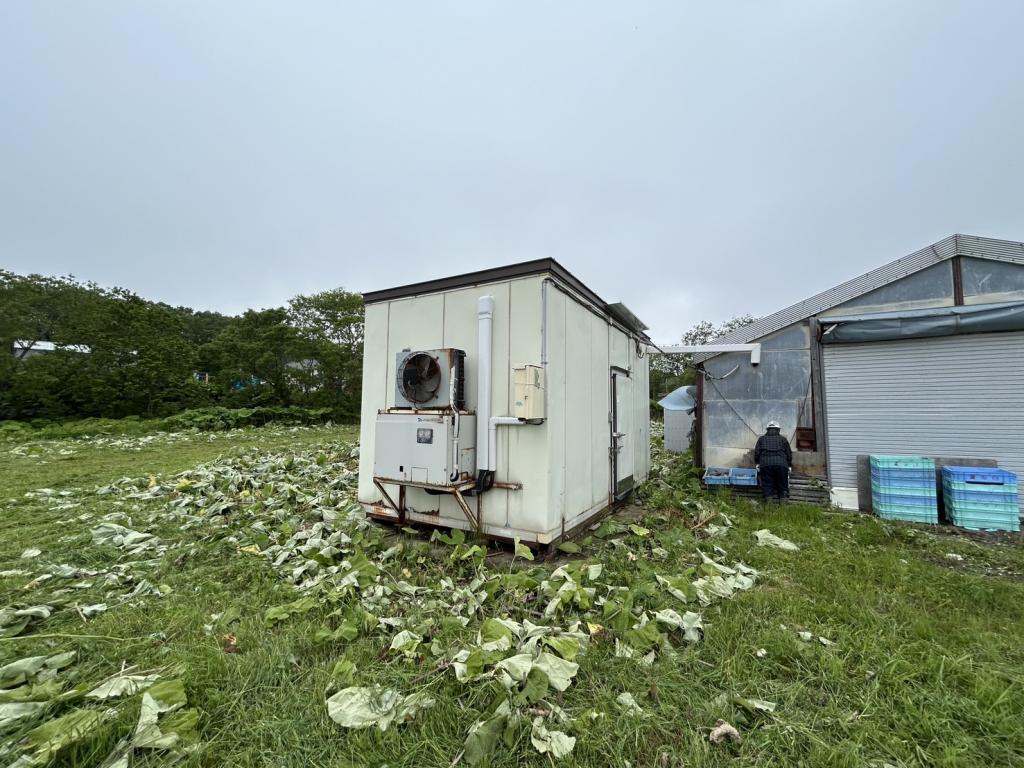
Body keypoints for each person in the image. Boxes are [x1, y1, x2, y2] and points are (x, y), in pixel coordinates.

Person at [754, 421, 792, 501]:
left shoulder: (761, 439)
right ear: (778, 430)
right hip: (781, 465)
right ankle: (783, 508)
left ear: (767, 429)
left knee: (767, 485)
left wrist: (757, 463)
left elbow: (757, 453)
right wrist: (789, 465)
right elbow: (789, 454)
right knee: (783, 485)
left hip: (765, 465)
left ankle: (768, 508)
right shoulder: (783, 439)